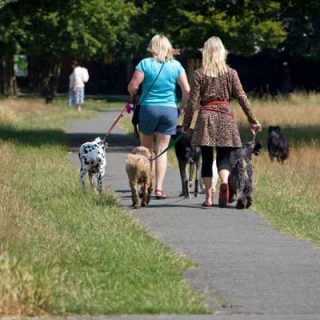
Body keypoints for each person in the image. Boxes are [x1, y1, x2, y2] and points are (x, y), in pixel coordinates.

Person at [182, 36, 262, 208]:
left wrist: (186, 124)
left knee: (207, 156)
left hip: (206, 117)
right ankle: (224, 182)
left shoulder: (199, 74)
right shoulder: (231, 73)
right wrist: (252, 120)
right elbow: (242, 97)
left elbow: (192, 102)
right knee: (224, 156)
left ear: (206, 53)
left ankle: (209, 197)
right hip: (225, 116)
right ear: (222, 53)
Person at [127, 34, 190, 199]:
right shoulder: (176, 65)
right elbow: (187, 90)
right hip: (169, 110)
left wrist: (133, 95)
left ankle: (144, 185)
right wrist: (182, 107)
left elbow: (133, 86)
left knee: (146, 149)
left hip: (149, 109)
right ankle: (159, 188)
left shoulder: (145, 64)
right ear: (168, 47)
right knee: (162, 150)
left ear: (152, 47)